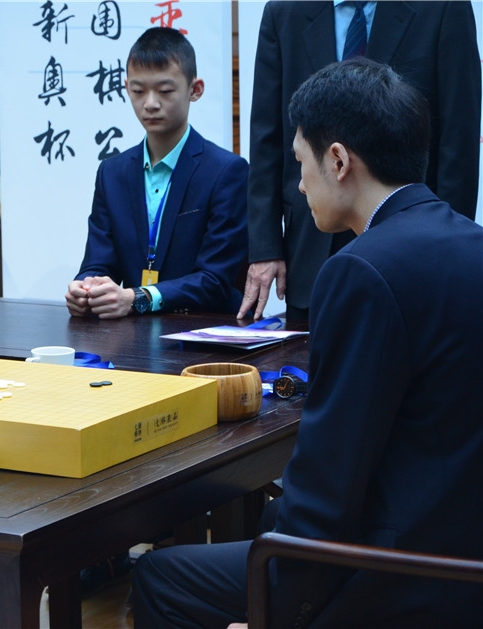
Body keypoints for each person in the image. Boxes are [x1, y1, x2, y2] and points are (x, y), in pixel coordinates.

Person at [131, 57, 483, 627]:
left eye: (300, 163)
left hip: (400, 571)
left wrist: (278, 613)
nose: (298, 185)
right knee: (270, 523)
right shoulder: (471, 241)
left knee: (159, 576)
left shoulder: (360, 270)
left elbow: (329, 481)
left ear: (338, 161)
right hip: (461, 548)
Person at [239, 0, 481, 322]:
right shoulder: (284, 12)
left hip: (411, 245)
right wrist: (266, 248)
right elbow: (266, 138)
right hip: (310, 247)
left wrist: (448, 251)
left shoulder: (442, 8)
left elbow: (459, 140)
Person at [65, 27, 248, 319]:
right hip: (132, 334)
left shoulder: (227, 171)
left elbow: (215, 280)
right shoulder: (112, 173)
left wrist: (138, 298)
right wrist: (86, 289)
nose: (150, 103)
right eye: (138, 91)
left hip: (204, 330)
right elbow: (99, 263)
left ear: (195, 89)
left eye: (164, 91)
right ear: (126, 88)